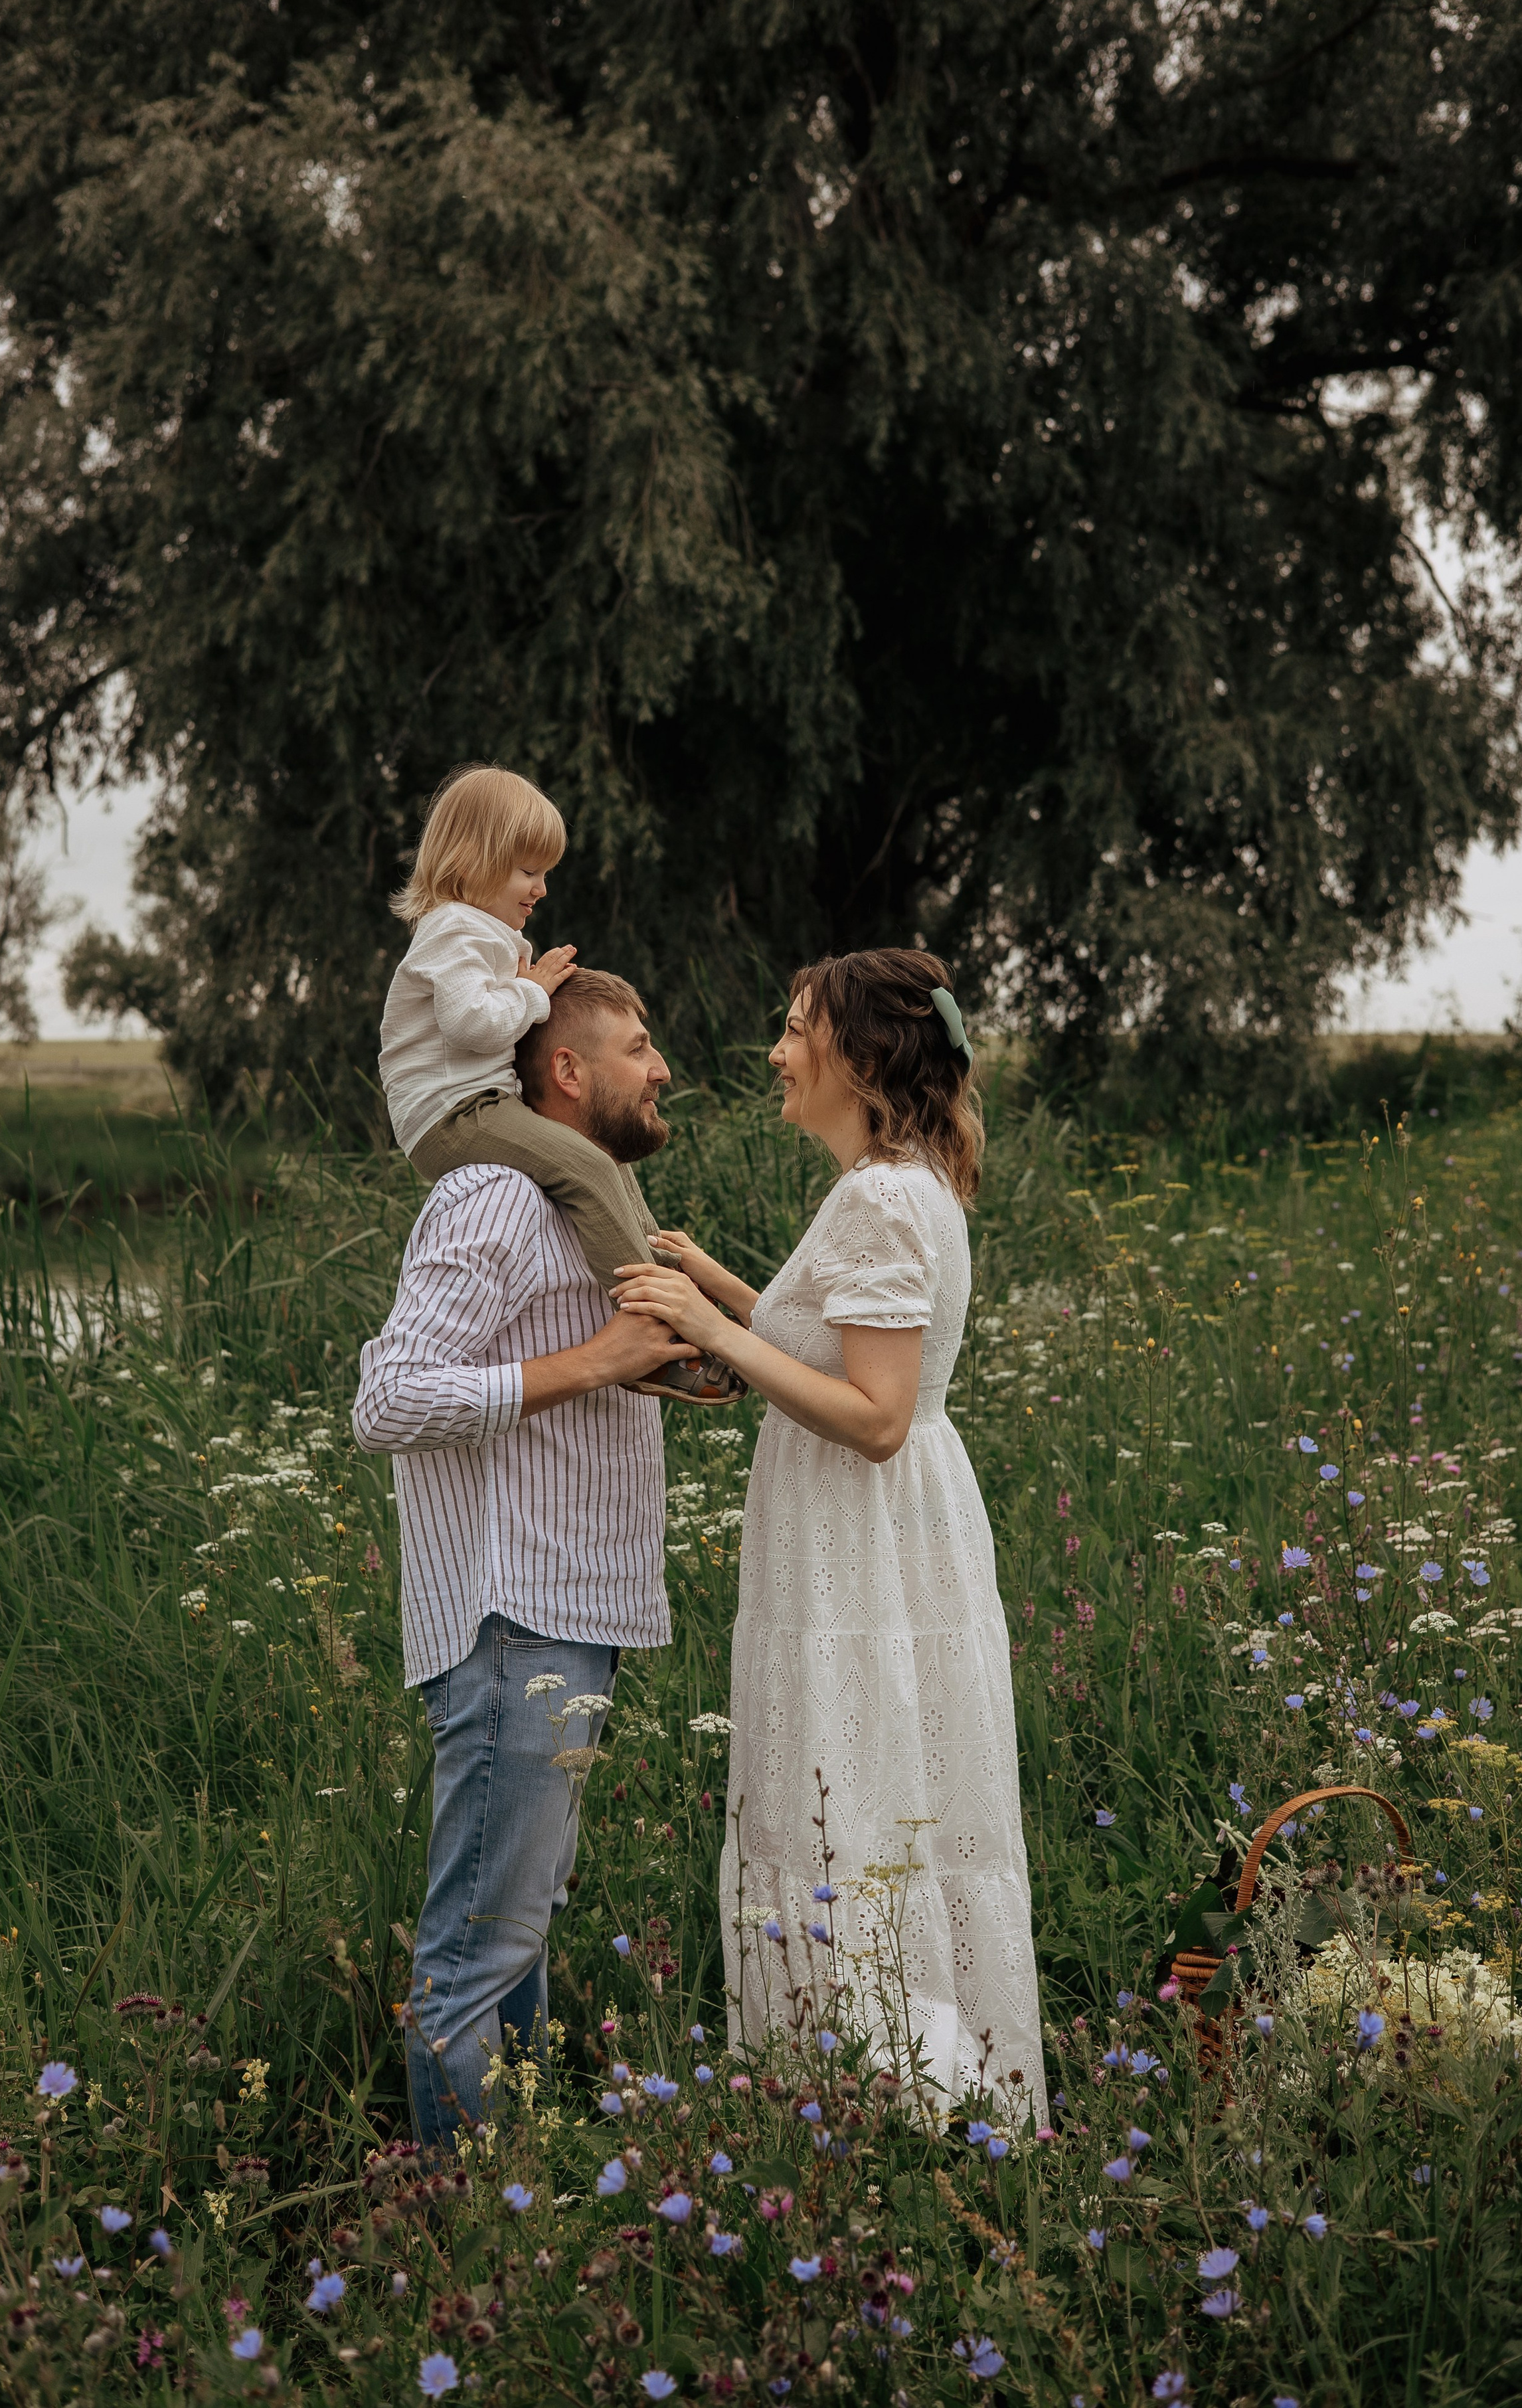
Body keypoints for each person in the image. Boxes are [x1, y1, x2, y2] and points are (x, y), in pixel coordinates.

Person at [612, 950, 1047, 2119]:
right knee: (869, 1781)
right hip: (874, 1530)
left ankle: (891, 2096)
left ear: (859, 1059)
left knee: (853, 1790)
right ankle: (875, 2085)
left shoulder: (883, 1195)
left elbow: (879, 1415)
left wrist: (710, 1324)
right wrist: (732, 1290)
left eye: (795, 1027)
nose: (775, 1051)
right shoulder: (901, 1184)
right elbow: (837, 1348)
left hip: (867, 1531)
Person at [351, 969, 689, 2145]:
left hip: (569, 1611)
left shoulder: (582, 1206)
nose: (661, 1069)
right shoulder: (492, 1194)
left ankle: (524, 2187)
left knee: (521, 1930)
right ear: (566, 1071)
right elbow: (386, 1398)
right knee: (478, 1952)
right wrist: (597, 1362)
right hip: (512, 1620)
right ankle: (472, 2239)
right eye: (639, 1047)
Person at [379, 760, 740, 1404]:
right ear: (471, 861)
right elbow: (470, 1023)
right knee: (589, 1169)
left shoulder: (482, 932)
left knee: (603, 1161)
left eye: (544, 872)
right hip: (451, 1115)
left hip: (476, 1102)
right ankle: (651, 1337)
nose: (541, 889)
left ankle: (666, 1289)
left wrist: (528, 982)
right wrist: (532, 993)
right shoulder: (453, 929)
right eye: (527, 871)